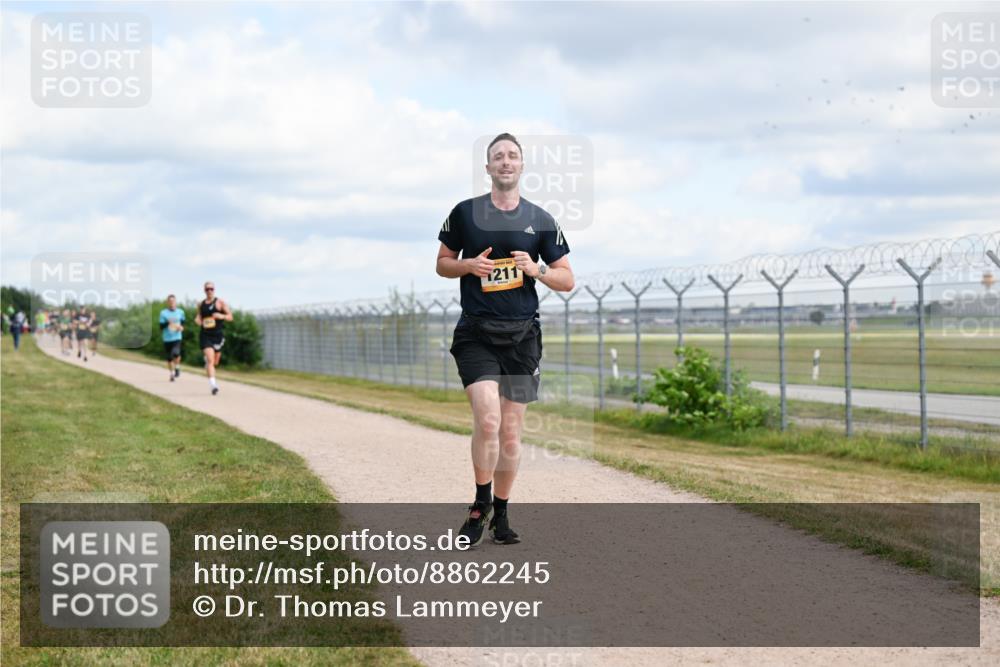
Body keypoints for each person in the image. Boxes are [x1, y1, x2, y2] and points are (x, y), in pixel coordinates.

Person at [435, 132, 574, 546]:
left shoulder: (541, 219)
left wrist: (537, 270)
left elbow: (566, 279)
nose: (506, 162)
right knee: (488, 420)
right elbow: (442, 263)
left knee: (510, 433)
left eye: (513, 155)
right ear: (488, 167)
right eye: (498, 156)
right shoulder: (464, 213)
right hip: (476, 333)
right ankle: (480, 506)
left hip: (522, 337)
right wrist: (468, 266)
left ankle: (503, 512)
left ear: (522, 165)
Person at [194, 282, 233, 395]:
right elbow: (199, 316)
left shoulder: (220, 302)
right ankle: (213, 385)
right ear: (204, 290)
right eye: (207, 289)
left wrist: (222, 316)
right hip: (205, 335)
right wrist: (197, 320)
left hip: (217, 336)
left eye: (211, 289)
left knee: (215, 362)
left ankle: (208, 363)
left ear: (214, 289)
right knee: (210, 360)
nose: (209, 291)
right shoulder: (201, 304)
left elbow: (230, 317)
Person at [159, 295, 186, 382]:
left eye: (173, 301)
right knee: (169, 358)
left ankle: (177, 367)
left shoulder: (180, 312)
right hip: (167, 338)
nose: (172, 303)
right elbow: (161, 327)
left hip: (177, 337)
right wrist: (167, 323)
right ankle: (172, 374)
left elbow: (183, 322)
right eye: (170, 301)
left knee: (176, 353)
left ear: (175, 302)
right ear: (168, 302)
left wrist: (181, 327)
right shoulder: (163, 313)